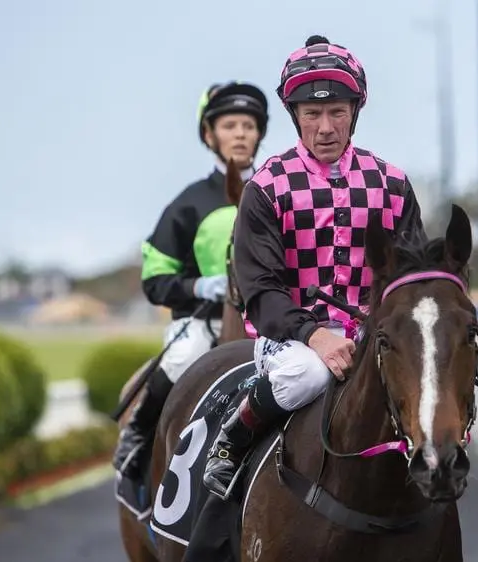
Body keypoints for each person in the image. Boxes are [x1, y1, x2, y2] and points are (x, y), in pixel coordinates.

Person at [201, 35, 430, 500]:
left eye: (337, 113)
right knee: (310, 374)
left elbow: (412, 280)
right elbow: (261, 293)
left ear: (354, 113)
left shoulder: (392, 184)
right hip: (292, 342)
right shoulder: (265, 187)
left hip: (376, 336)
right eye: (312, 114)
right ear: (295, 116)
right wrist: (316, 336)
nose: (326, 127)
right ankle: (232, 439)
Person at [112, 81, 269, 491]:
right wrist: (199, 287)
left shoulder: (278, 190)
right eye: (230, 124)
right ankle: (139, 435)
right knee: (184, 355)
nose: (240, 133)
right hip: (205, 323)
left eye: (249, 125)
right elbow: (155, 279)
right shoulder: (188, 203)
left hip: (273, 322)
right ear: (209, 135)